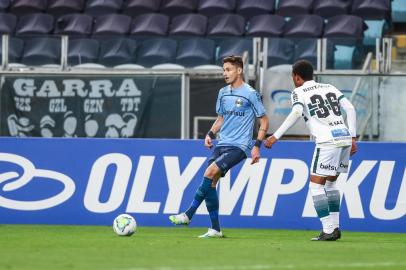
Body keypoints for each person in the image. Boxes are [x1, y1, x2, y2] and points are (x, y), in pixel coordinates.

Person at [169, 55, 269, 238]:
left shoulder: (250, 94)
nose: (225, 73)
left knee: (209, 172)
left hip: (240, 146)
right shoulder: (223, 93)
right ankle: (215, 229)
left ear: (239, 71)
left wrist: (257, 146)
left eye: (229, 69)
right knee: (211, 183)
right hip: (222, 144)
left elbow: (264, 120)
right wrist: (210, 134)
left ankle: (188, 214)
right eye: (224, 70)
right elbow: (221, 118)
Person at [264, 60, 357, 241]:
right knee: (330, 184)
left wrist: (276, 136)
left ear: (297, 77)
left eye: (293, 77)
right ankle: (335, 228)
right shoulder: (329, 87)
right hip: (344, 138)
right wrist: (353, 137)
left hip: (327, 141)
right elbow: (350, 108)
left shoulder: (298, 92)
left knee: (316, 186)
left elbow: (297, 112)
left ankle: (328, 230)